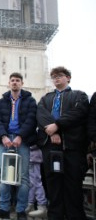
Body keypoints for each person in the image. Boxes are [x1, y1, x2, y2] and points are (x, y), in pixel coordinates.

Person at [36, 66, 89, 219]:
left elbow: (78, 113)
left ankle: (74, 215)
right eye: (54, 76)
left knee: (73, 184)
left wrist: (57, 126)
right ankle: (55, 215)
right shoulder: (46, 98)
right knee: (53, 184)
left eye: (60, 75)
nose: (56, 78)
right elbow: (41, 114)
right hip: (50, 146)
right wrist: (52, 131)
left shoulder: (79, 95)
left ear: (68, 78)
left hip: (71, 146)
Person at [0, 72, 37, 220]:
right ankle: (4, 208)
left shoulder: (30, 100)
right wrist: (3, 136)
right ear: (9, 83)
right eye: (12, 80)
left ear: (22, 83)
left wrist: (20, 136)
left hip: (21, 140)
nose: (15, 83)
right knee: (4, 176)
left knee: (23, 177)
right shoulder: (2, 101)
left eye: (17, 80)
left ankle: (21, 210)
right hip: (5, 140)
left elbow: (31, 120)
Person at [25, 144, 47, 217]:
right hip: (29, 156)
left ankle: (42, 205)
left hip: (33, 156)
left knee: (36, 183)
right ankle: (30, 204)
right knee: (30, 183)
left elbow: (37, 141)